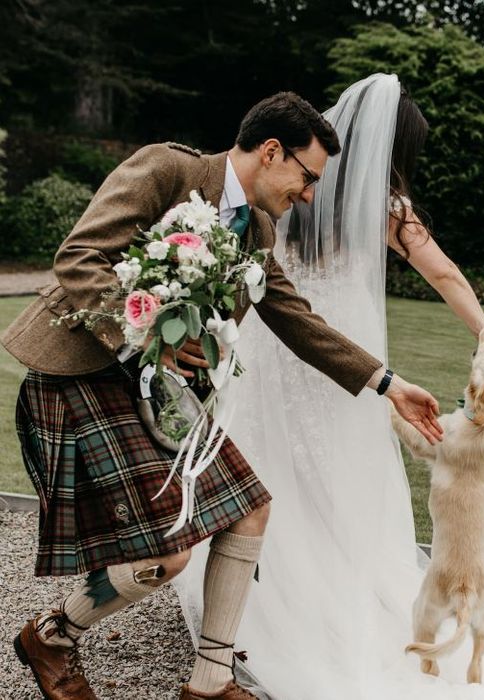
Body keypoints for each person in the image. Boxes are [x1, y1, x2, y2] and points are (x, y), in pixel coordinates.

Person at [174, 75, 484, 699]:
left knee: (267, 475)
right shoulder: (387, 210)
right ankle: (326, 602)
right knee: (342, 486)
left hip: (277, 353)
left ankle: (254, 614)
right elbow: (445, 274)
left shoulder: (281, 192)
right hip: (348, 363)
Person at [3, 91, 445, 700]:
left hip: (162, 393)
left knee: (250, 509)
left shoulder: (257, 229)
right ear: (271, 151)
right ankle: (51, 637)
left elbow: (297, 320)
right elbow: (78, 258)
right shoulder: (167, 169)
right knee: (169, 554)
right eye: (308, 176)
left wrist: (389, 385)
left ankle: (209, 684)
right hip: (84, 373)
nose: (310, 194)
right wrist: (149, 331)